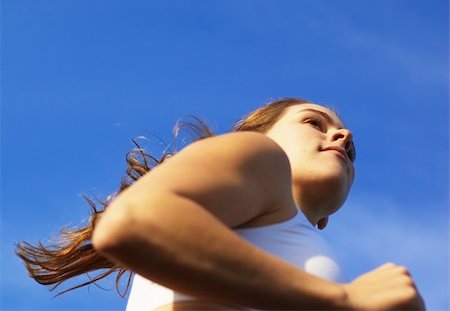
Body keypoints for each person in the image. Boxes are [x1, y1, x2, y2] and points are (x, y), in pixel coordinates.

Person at [16, 97, 425, 310]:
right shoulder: (263, 157)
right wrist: (345, 301)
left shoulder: (298, 241)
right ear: (258, 137)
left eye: (352, 150)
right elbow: (134, 223)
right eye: (314, 122)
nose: (345, 136)